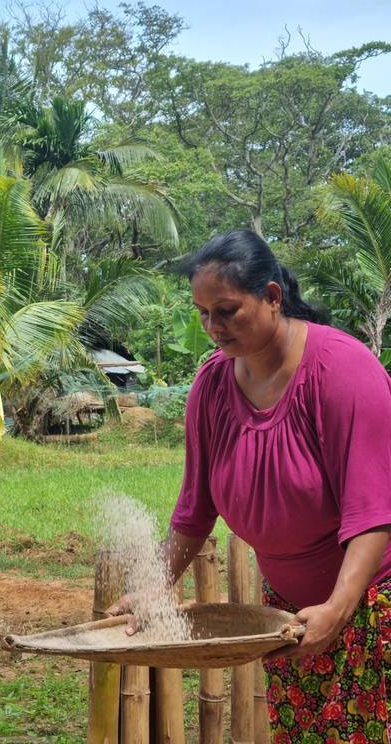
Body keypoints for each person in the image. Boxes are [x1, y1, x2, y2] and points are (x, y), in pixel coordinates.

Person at [107, 229, 391, 744]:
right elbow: (195, 510)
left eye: (226, 310)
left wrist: (338, 609)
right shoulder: (212, 387)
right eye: (202, 314)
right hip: (291, 618)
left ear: (272, 296)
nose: (212, 327)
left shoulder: (343, 372)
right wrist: (155, 588)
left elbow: (374, 514)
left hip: (372, 608)